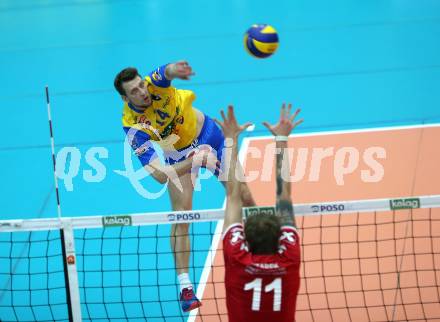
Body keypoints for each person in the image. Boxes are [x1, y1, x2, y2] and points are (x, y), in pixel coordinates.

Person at [113, 61, 256, 312]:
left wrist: (175, 69)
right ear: (125, 99)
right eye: (134, 91)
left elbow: (165, 72)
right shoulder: (132, 126)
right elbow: (159, 175)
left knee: (243, 195)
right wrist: (194, 161)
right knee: (182, 218)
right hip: (178, 156)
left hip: (210, 136)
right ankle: (185, 287)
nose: (142, 92)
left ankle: (261, 246)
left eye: (141, 86)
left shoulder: (154, 84)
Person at [215, 104, 303, 322]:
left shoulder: (238, 257)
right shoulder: (288, 258)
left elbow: (233, 193)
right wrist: (281, 139)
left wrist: (230, 140)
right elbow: (284, 196)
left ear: (246, 240)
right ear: (279, 238)